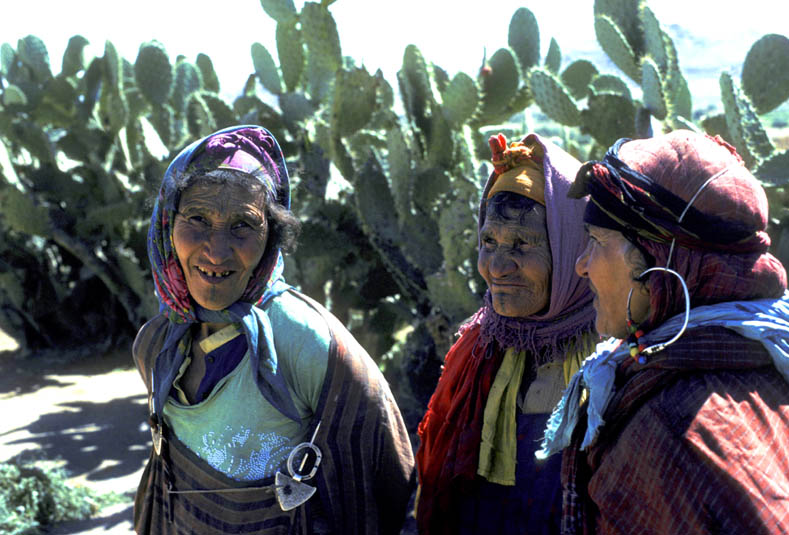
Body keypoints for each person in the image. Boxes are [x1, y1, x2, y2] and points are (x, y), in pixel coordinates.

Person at [132, 125, 415, 535]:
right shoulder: (158, 344)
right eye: (197, 219)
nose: (215, 250)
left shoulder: (309, 344)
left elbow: (381, 479)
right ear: (166, 225)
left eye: (242, 226)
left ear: (272, 236)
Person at [537, 130, 789, 534]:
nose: (581, 265)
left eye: (597, 240)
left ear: (658, 264)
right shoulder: (770, 356)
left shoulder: (670, 427)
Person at [415, 133, 597, 534]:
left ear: (572, 250)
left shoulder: (613, 366)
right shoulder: (478, 348)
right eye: (489, 241)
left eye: (521, 244)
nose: (497, 266)